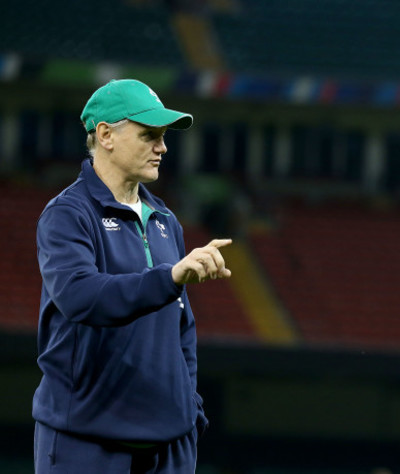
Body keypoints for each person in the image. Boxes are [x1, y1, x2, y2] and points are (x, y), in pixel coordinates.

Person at [33, 78, 232, 473]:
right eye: (149, 136)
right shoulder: (67, 214)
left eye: (162, 137)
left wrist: (189, 407)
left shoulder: (165, 220)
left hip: (169, 444)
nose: (162, 147)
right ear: (106, 135)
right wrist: (168, 277)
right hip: (85, 441)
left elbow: (182, 328)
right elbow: (80, 296)